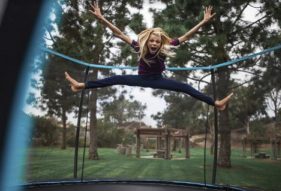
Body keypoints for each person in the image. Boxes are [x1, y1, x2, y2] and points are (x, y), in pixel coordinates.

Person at [65, 2, 233, 110]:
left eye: (157, 41)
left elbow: (187, 36)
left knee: (186, 88)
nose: (154, 43)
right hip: (141, 79)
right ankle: (81, 85)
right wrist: (102, 19)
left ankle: (215, 103)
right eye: (151, 41)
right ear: (148, 41)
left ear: (161, 43)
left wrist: (203, 22)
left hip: (158, 80)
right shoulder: (140, 47)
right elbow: (120, 33)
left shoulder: (166, 47)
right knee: (114, 78)